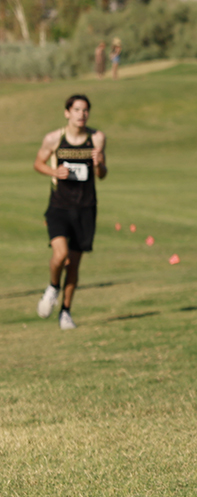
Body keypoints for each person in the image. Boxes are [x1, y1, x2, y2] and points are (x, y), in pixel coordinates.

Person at [33, 94, 108, 330]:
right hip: (59, 207)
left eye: (85, 110)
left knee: (73, 265)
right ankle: (53, 286)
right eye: (77, 109)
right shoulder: (55, 138)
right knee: (60, 256)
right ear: (67, 112)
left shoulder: (96, 139)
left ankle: (65, 312)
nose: (81, 114)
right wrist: (54, 173)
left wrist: (99, 164)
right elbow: (38, 163)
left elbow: (102, 174)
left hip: (85, 208)